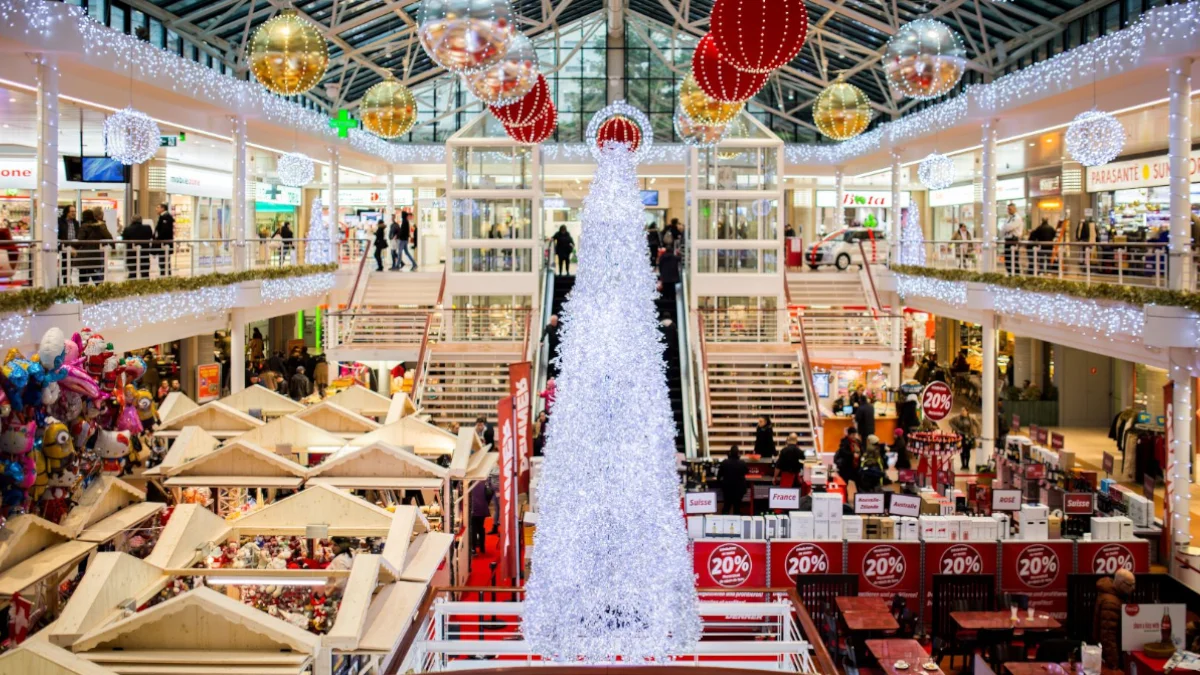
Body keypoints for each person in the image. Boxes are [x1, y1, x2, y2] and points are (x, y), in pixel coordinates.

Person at [1093, 569, 1135, 671]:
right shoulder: (1111, 603)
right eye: (1130, 585)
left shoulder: (1116, 595)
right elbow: (1108, 637)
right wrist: (1114, 665)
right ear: (1120, 583)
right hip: (1111, 658)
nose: (1133, 588)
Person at [77, 209, 113, 284]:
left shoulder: (84, 226)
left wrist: (74, 246)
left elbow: (80, 240)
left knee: (83, 274)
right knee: (93, 272)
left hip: (84, 254)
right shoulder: (99, 225)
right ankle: (99, 287)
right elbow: (108, 236)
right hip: (95, 253)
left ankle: (83, 289)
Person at [718, 446, 749, 515]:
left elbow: (719, 476)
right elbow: (746, 472)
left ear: (730, 453)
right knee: (737, 507)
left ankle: (724, 519)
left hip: (727, 489)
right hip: (739, 489)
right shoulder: (742, 463)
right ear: (738, 453)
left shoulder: (724, 462)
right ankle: (736, 519)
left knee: (726, 506)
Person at [468, 479, 493, 554]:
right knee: (481, 527)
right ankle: (482, 547)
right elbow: (490, 491)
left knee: (473, 528)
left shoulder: (469, 480)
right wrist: (486, 503)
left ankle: (473, 548)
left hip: (473, 507)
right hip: (482, 507)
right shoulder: (484, 479)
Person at [57, 205, 79, 284]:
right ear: (67, 212)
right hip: (63, 247)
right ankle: (61, 282)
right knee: (63, 267)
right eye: (72, 211)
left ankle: (67, 282)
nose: (74, 213)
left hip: (73, 248)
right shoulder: (60, 222)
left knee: (70, 267)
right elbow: (59, 235)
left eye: (74, 211)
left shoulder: (76, 223)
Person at [834, 427, 860, 491]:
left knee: (859, 483)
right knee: (845, 484)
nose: (854, 436)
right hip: (846, 467)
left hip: (855, 467)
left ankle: (859, 495)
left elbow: (861, 450)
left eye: (855, 434)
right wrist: (852, 455)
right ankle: (845, 496)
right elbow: (843, 452)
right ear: (849, 434)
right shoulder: (844, 442)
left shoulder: (857, 442)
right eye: (852, 434)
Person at [1000, 202, 1023, 275]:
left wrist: (1005, 227)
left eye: (1010, 209)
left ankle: (1016, 276)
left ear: (1014, 209)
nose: (1008, 210)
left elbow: (1008, 227)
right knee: (1007, 259)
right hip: (1007, 240)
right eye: (1008, 209)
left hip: (1014, 240)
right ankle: (1010, 274)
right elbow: (1002, 228)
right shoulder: (1008, 218)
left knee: (1014, 259)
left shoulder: (1017, 218)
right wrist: (1005, 227)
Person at [153, 203, 175, 277]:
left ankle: (165, 276)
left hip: (164, 244)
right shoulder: (163, 217)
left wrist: (158, 239)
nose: (156, 209)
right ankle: (165, 276)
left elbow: (165, 230)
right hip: (164, 243)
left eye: (158, 207)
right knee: (163, 261)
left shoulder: (166, 217)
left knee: (164, 261)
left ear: (163, 208)